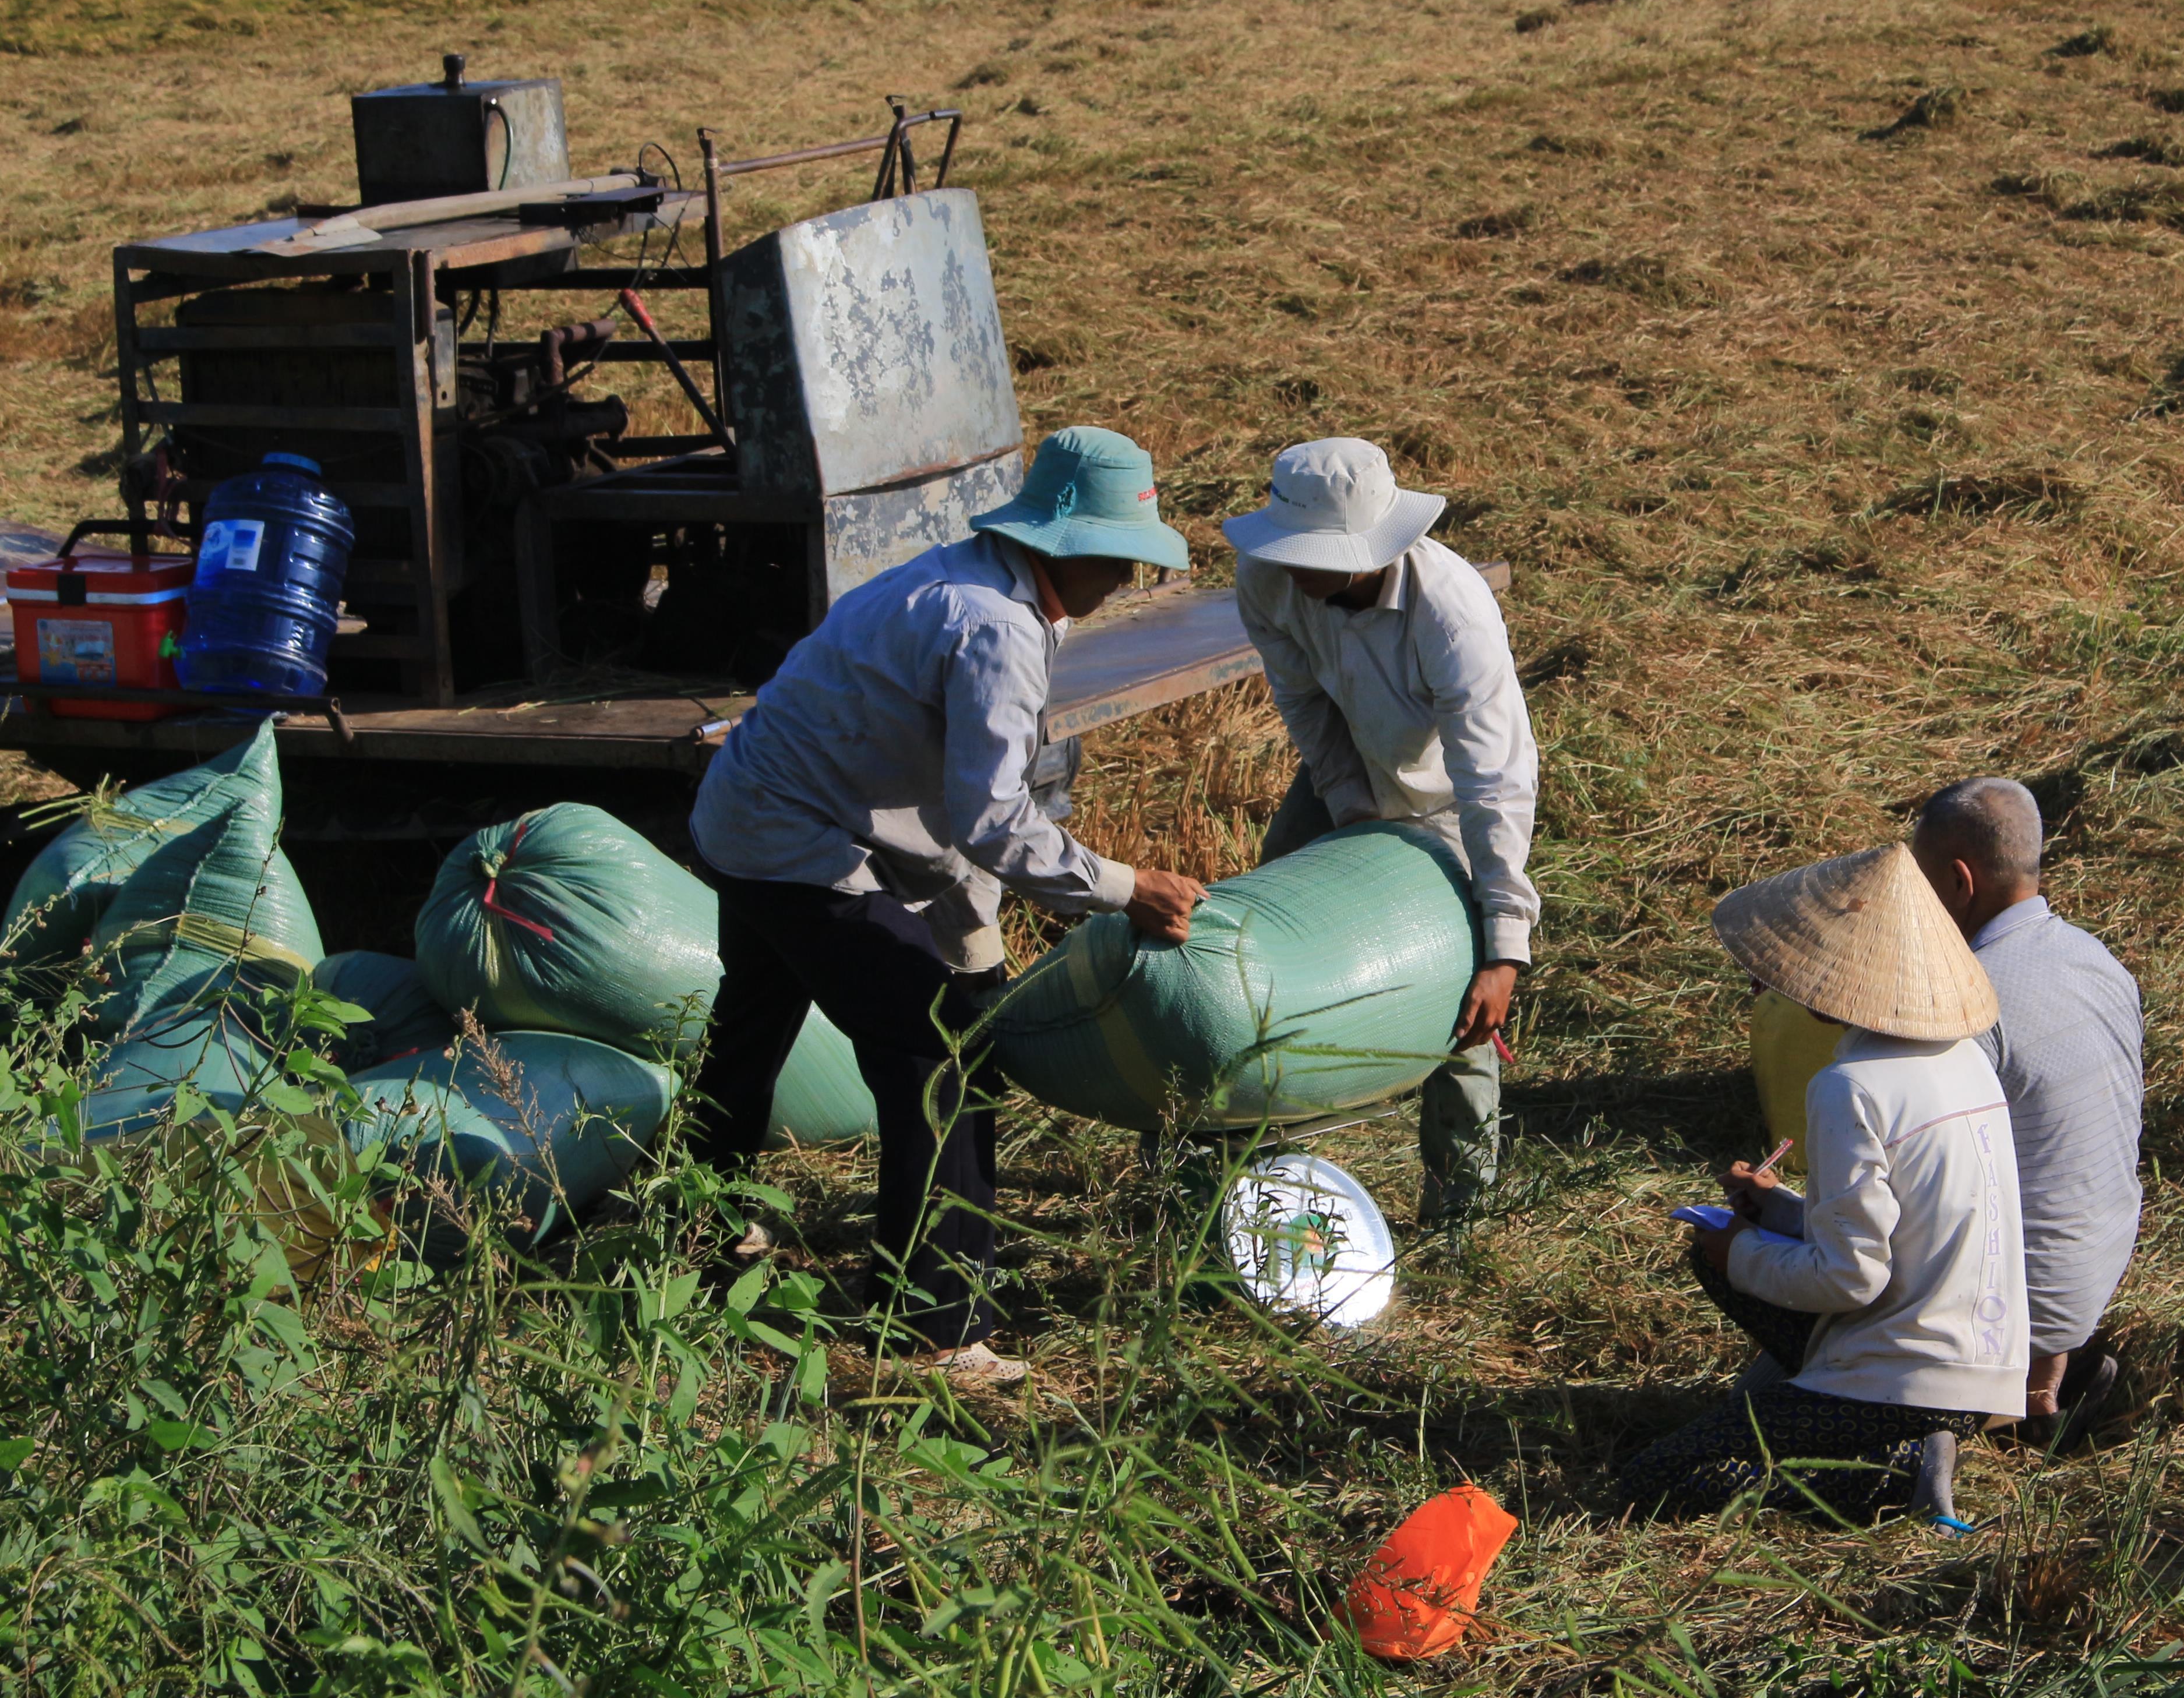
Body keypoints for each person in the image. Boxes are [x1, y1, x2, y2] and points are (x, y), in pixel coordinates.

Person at [687, 426, 1209, 1380]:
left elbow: (952, 806)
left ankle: (688, 1229)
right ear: (1063, 543)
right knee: (944, 1061)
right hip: (799, 845)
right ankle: (935, 1325)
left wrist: (977, 959)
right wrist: (1123, 889)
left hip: (746, 814)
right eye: (1118, 556)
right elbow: (993, 819)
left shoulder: (978, 582)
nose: (1130, 577)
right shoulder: (996, 626)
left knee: (751, 1033)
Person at [1618, 843, 2027, 1521]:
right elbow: (1900, 1226)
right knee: (1723, 1258)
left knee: (1659, 1480)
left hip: (1905, 1373)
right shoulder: (1963, 1059)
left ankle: (1892, 1470)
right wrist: (1780, 1210)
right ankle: (1887, 1434)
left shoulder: (1851, 1086)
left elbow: (1850, 1279)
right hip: (1982, 1362)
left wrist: (1741, 1252)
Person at [1224, 437, 1540, 1226]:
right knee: (1269, 934)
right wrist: (1350, 813)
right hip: (1351, 771)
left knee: (1462, 997)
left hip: (1446, 799)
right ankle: (1256, 1159)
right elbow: (1305, 703)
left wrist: (1503, 947)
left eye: (1316, 557)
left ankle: (1461, 1206)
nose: (1297, 569)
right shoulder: (1266, 578)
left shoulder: (1451, 613)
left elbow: (1494, 777)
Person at [1909, 776, 2144, 1445]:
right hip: (2097, 1267)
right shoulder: (2095, 959)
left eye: (1919, 884)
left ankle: (1977, 1412)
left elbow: (1921, 1186)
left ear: (1960, 883)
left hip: (2022, 1303)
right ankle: (2047, 1386)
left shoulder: (1968, 1000)